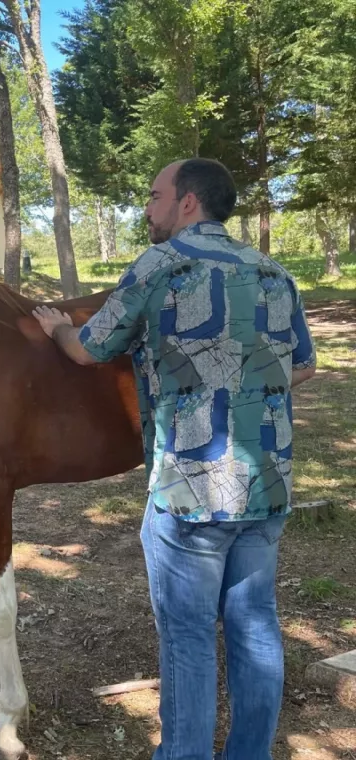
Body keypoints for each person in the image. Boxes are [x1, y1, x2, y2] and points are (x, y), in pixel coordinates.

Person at [33, 158, 316, 760]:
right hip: (267, 488)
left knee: (188, 638)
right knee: (256, 626)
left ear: (188, 202)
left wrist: (57, 327)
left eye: (155, 195)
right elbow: (305, 365)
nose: (147, 207)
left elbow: (88, 351)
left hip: (191, 494)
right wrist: (246, 382)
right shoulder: (275, 272)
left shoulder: (158, 266)